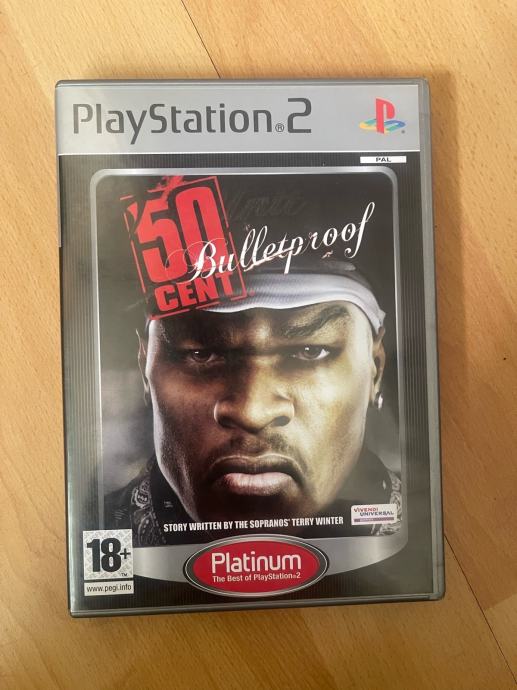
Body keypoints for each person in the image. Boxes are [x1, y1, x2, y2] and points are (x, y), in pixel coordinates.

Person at [105, 264, 402, 546]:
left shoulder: (422, 533)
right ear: (145, 366)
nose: (252, 413)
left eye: (310, 351)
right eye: (201, 354)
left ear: (375, 368)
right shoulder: (96, 530)